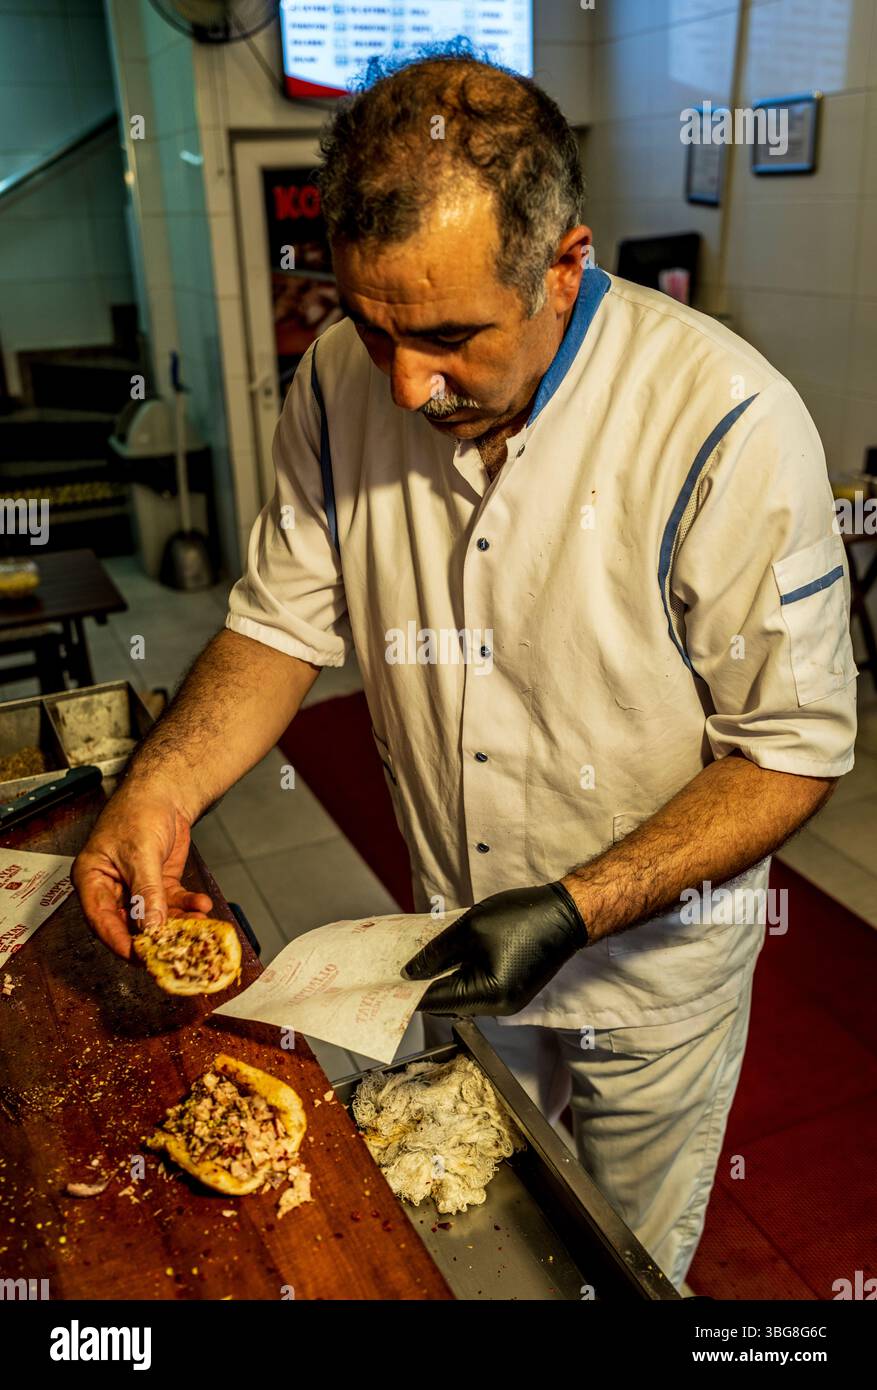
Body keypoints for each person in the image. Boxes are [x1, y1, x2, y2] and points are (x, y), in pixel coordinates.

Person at [73, 49, 857, 1292]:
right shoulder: (339, 380)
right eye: (371, 324)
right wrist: (158, 791)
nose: (405, 384)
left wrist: (573, 907)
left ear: (565, 264)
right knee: (479, 1213)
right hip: (454, 928)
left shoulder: (724, 421)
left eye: (448, 337)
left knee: (618, 1255)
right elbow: (281, 622)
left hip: (647, 971)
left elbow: (791, 750)